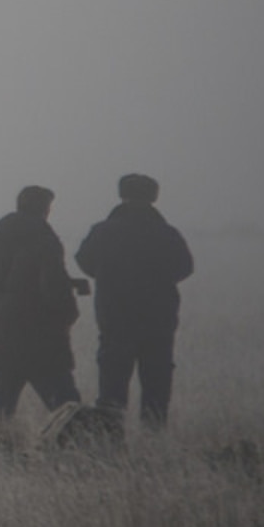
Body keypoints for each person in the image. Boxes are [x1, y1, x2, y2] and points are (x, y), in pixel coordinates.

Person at [77, 174, 194, 428]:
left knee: (112, 384)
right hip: (159, 319)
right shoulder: (166, 233)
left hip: (115, 317)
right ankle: (153, 438)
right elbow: (185, 267)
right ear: (154, 196)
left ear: (122, 194)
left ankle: (110, 438)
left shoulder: (103, 231)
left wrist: (108, 277)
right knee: (157, 382)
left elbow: (84, 260)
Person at [0, 185, 83, 423]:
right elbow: (54, 288)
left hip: (3, 332)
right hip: (42, 336)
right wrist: (68, 315)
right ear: (45, 209)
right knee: (66, 406)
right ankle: (83, 448)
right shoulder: (46, 241)